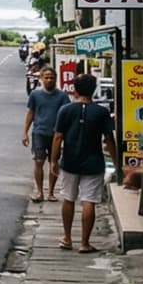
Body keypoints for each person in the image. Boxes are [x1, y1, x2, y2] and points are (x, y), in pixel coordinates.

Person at [48, 71, 119, 254]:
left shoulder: (66, 110)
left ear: (75, 89)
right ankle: (85, 243)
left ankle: (67, 238)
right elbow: (109, 139)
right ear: (94, 90)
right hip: (93, 163)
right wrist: (117, 161)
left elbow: (57, 137)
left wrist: (54, 160)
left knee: (68, 198)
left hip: (70, 161)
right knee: (89, 201)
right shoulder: (102, 112)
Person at [21, 66, 65, 204]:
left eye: (52, 78)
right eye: (46, 77)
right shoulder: (35, 95)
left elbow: (66, 116)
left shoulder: (62, 96)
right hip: (39, 132)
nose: (49, 80)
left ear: (56, 79)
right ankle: (40, 191)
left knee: (54, 162)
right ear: (41, 79)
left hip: (56, 134)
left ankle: (51, 192)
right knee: (39, 161)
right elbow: (30, 113)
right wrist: (25, 132)